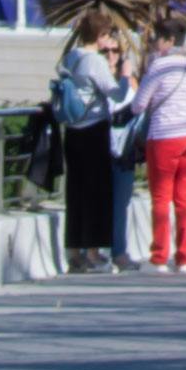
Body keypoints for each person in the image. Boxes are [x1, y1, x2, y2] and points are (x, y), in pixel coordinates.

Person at [131, 20, 186, 274]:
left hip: (165, 136)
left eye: (157, 38)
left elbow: (138, 105)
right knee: (183, 198)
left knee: (160, 197)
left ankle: (159, 257)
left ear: (167, 40)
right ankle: (184, 257)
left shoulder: (159, 66)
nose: (154, 43)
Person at [48, 23, 129, 273]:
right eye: (107, 35)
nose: (110, 41)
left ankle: (74, 253)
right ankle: (94, 253)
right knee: (96, 192)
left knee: (76, 192)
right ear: (99, 35)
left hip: (72, 131)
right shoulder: (94, 61)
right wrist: (124, 75)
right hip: (93, 129)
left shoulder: (71, 57)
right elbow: (115, 94)